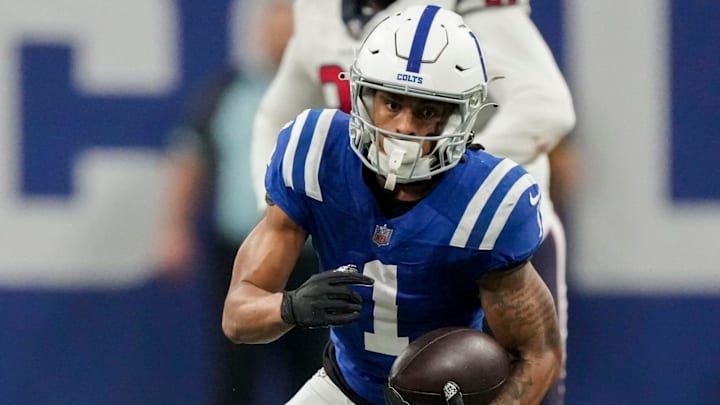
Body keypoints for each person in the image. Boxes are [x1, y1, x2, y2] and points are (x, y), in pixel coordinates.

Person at [224, 5, 561, 405]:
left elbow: (538, 354)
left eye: (427, 110)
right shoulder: (316, 155)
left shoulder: (487, 201)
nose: (404, 126)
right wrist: (291, 307)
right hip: (343, 386)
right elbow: (237, 315)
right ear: (363, 97)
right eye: (392, 103)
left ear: (460, 116)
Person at [156, 1, 327, 403]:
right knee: (236, 369)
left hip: (314, 256)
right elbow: (190, 155)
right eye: (276, 14)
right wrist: (174, 228)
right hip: (240, 254)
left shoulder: (333, 93)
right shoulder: (228, 91)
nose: (284, 27)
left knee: (315, 373)